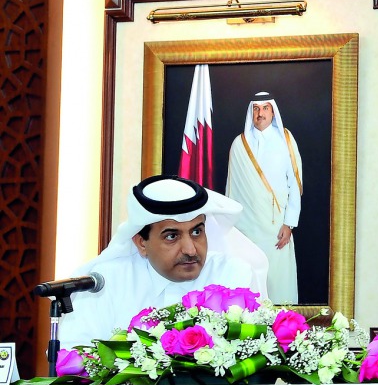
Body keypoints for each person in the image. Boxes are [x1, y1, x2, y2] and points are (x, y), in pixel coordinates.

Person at [59, 175, 269, 349]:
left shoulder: (232, 274)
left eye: (197, 232)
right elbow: (76, 353)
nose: (190, 249)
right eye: (172, 236)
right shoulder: (107, 281)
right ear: (142, 243)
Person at [226, 91, 303, 303]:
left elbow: (295, 184)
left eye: (265, 108)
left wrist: (290, 223)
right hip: (246, 230)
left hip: (276, 227)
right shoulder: (239, 144)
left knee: (278, 282)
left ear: (273, 111)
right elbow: (231, 191)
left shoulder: (285, 139)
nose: (260, 113)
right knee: (248, 283)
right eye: (256, 109)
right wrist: (231, 229)